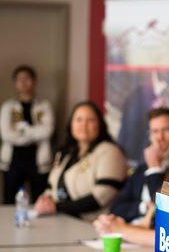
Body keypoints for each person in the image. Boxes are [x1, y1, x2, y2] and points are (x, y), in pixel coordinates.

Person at [34, 101, 128, 221]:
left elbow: (101, 197)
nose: (83, 125)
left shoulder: (111, 152)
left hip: (94, 225)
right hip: (61, 220)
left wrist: (57, 207)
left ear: (99, 124)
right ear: (71, 124)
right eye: (78, 120)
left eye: (90, 120)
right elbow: (51, 186)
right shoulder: (66, 153)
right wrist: (45, 199)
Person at [109, 107, 169, 223]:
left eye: (166, 130)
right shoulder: (142, 168)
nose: (160, 137)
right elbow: (116, 208)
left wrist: (154, 168)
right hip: (131, 232)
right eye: (155, 131)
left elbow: (165, 208)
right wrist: (144, 207)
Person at [0, 65, 55, 203]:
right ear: (15, 83)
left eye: (27, 78)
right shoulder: (8, 106)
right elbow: (6, 134)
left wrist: (22, 131)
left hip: (37, 160)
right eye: (19, 79)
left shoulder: (44, 105)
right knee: (9, 199)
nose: (23, 82)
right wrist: (34, 132)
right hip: (13, 160)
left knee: (39, 198)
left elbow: (47, 131)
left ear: (34, 81)